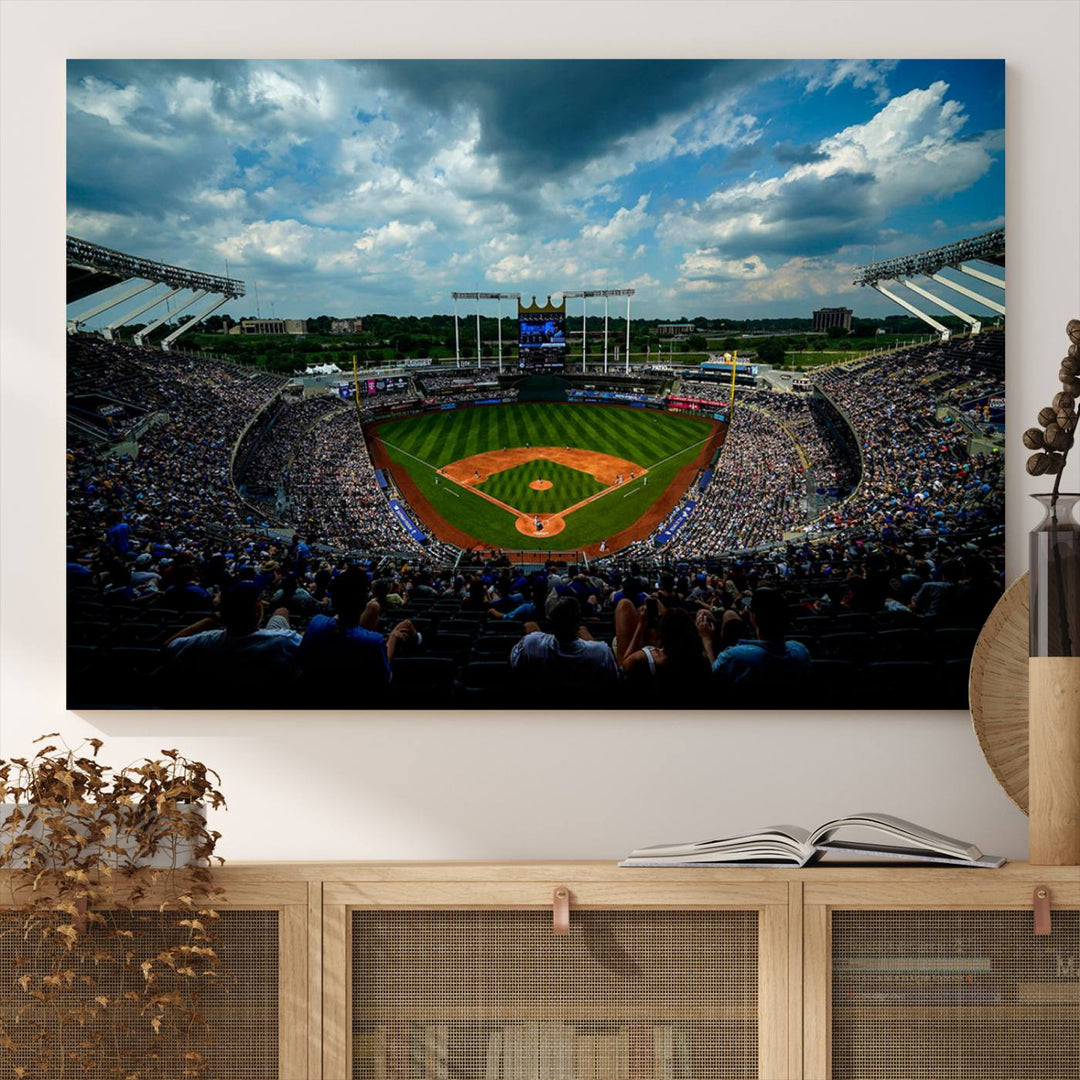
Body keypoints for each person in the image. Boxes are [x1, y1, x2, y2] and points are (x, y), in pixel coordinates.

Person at [158, 582, 302, 707]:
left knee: (280, 613)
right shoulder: (285, 640)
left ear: (223, 613)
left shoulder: (205, 641)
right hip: (269, 701)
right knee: (281, 612)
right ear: (258, 611)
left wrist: (213, 618)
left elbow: (167, 647)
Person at [697, 587, 810, 705]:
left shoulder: (734, 657)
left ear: (753, 618)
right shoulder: (801, 651)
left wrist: (706, 640)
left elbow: (712, 675)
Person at [510, 596, 617, 702]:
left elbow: (515, 663)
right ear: (577, 622)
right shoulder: (601, 652)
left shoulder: (531, 643)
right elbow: (613, 679)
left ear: (551, 622)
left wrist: (536, 634)